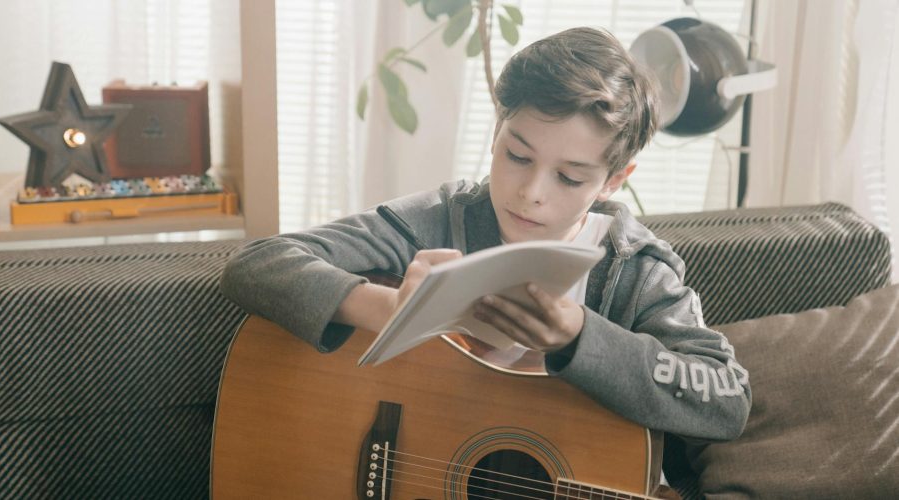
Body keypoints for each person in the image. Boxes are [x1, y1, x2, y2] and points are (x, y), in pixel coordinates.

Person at [220, 27, 750, 447]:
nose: (531, 193)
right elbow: (259, 263)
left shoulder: (635, 269)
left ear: (615, 181)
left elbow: (727, 401)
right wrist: (387, 310)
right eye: (517, 155)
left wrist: (579, 338)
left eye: (570, 177)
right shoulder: (436, 220)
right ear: (497, 131)